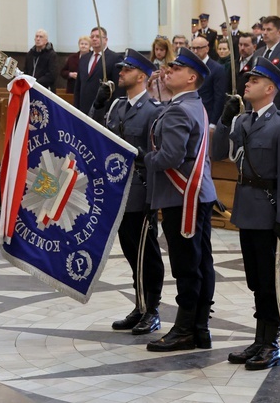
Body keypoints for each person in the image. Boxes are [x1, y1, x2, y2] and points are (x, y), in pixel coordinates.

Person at [211, 58, 280, 370]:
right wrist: (224, 121)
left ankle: (271, 342)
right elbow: (216, 154)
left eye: (254, 80)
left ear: (270, 88)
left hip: (269, 211)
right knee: (254, 279)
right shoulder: (243, 122)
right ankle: (259, 338)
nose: (247, 83)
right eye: (248, 79)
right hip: (247, 211)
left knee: (269, 280)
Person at [144, 47, 217, 353]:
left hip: (182, 196)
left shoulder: (178, 109)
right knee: (200, 261)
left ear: (191, 77)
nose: (167, 71)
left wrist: (146, 159)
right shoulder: (192, 104)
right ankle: (199, 327)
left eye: (175, 69)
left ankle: (186, 329)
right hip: (197, 193)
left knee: (186, 264)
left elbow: (171, 156)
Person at [91, 49, 165, 336]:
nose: (120, 73)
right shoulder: (117, 107)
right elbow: (96, 132)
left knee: (147, 254)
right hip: (118, 191)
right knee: (132, 252)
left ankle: (153, 309)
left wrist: (152, 199)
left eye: (127, 70)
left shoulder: (153, 110)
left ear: (142, 76)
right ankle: (140, 305)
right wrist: (98, 105)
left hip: (141, 191)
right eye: (121, 69)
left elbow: (154, 157)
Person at [73, 26, 123, 115]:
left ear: (106, 40)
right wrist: (76, 109)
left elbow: (118, 88)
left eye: (98, 36)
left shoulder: (115, 58)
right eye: (92, 37)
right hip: (83, 110)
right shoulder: (84, 58)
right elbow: (78, 86)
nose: (94, 39)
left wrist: (112, 111)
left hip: (103, 110)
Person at [252, 16, 280, 111]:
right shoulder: (258, 53)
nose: (264, 33)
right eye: (263, 29)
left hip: (276, 107)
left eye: (269, 29)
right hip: (257, 106)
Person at [190, 36, 226, 127]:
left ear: (207, 48)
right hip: (191, 114)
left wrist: (213, 123)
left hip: (208, 116)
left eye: (198, 48)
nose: (195, 51)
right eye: (193, 48)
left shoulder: (217, 69)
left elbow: (219, 97)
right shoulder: (190, 67)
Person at [147, 36, 176, 102]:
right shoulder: (150, 64)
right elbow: (146, 89)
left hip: (167, 101)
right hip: (153, 101)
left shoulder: (173, 64)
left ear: (167, 50)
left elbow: (175, 86)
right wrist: (150, 80)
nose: (158, 52)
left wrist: (163, 78)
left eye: (161, 50)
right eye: (156, 49)